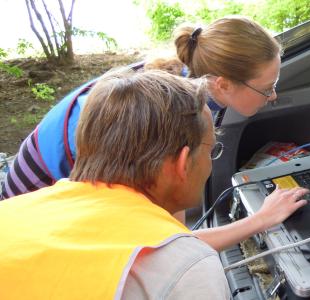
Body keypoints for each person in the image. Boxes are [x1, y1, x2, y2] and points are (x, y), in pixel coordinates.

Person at [0, 70, 307, 299]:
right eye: (211, 150)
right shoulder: (188, 271)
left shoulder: (14, 211)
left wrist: (260, 220)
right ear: (182, 162)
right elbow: (173, 259)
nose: (211, 162)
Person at [1, 15, 281, 200]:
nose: (273, 96)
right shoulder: (160, 118)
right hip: (37, 191)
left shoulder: (194, 81)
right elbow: (148, 231)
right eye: (267, 88)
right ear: (223, 84)